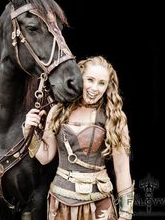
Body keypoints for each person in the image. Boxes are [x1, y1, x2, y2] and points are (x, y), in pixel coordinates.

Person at [23, 56, 134, 220]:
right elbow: (45, 157)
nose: (94, 88)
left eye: (101, 83)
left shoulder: (114, 117)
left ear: (107, 86)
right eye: (90, 80)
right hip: (60, 203)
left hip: (98, 205)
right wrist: (28, 132)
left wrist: (126, 214)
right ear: (80, 77)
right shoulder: (57, 111)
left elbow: (122, 169)